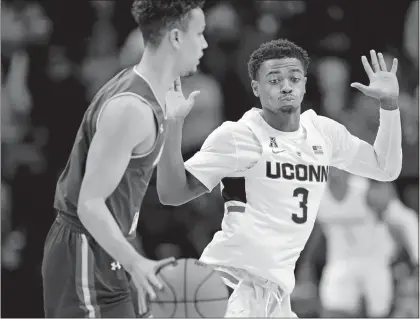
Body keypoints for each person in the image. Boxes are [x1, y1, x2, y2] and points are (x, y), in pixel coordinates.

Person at [156, 39, 402, 317]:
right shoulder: (238, 135)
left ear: (305, 83)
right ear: (256, 88)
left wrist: (389, 106)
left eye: (294, 78)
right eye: (274, 80)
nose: (286, 86)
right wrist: (173, 124)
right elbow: (171, 194)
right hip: (231, 284)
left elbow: (386, 168)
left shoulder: (324, 132)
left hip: (276, 294)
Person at [41, 0, 208, 317]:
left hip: (118, 241)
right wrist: (135, 262)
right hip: (85, 249)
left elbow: (167, 192)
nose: (205, 44)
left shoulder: (153, 92)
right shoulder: (131, 108)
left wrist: (175, 123)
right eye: (199, 34)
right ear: (175, 38)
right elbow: (89, 204)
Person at [296, 168, 418, 318]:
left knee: (379, 310)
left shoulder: (367, 190)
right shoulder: (317, 194)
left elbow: (406, 220)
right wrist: (305, 263)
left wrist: (415, 258)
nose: (335, 172)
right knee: (332, 309)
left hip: (374, 260)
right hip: (340, 262)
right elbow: (317, 229)